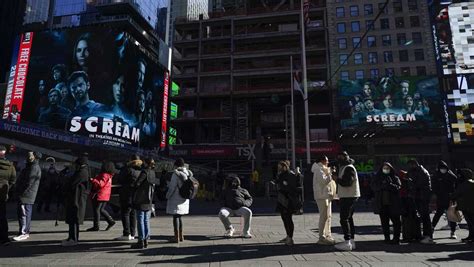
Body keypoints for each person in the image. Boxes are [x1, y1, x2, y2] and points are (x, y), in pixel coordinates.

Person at [62, 155, 91, 246]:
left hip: (76, 199)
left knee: (74, 219)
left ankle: (73, 239)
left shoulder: (81, 172)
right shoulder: (84, 171)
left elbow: (72, 184)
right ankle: (71, 237)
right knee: (73, 219)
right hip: (76, 198)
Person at [334, 151, 360, 251]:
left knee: (344, 219)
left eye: (340, 156)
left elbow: (347, 182)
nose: (338, 158)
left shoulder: (348, 167)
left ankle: (347, 242)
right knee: (349, 218)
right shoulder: (345, 167)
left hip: (348, 196)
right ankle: (351, 241)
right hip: (349, 195)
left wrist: (337, 179)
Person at [13, 152, 42, 242]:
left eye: (31, 156)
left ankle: (24, 233)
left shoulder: (34, 167)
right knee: (24, 213)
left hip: (26, 195)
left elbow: (29, 182)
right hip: (27, 194)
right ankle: (24, 232)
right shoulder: (31, 166)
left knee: (24, 214)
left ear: (35, 157)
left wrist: (20, 192)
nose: (29, 157)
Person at [130, 158, 159, 249]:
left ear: (146, 163)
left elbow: (137, 184)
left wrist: (133, 185)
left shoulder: (144, 172)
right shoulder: (153, 173)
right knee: (146, 220)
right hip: (149, 200)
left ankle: (141, 241)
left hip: (141, 199)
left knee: (141, 220)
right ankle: (146, 239)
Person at [371, 163, 402, 244]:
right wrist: (382, 185)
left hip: (393, 204)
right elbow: (373, 187)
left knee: (396, 223)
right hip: (382, 204)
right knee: (385, 223)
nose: (386, 170)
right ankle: (387, 238)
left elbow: (398, 188)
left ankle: (396, 238)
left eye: (388, 168)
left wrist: (390, 184)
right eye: (384, 168)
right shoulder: (377, 178)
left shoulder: (395, 177)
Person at [115, 155, 143, 241]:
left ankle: (126, 233)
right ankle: (133, 233)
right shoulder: (140, 170)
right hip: (136, 195)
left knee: (125, 213)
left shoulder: (127, 169)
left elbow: (119, 179)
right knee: (133, 214)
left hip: (126, 194)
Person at [274, 161, 302, 245]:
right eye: (278, 167)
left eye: (281, 167)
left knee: (288, 218)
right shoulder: (281, 175)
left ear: (285, 167)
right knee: (284, 218)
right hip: (282, 199)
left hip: (288, 200)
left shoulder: (290, 175)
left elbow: (292, 186)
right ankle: (288, 236)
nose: (279, 169)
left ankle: (290, 238)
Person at [406, 159, 433, 244]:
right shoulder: (414, 171)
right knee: (420, 216)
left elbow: (418, 184)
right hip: (418, 196)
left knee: (425, 216)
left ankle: (428, 236)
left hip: (423, 197)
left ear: (414, 164)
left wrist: (410, 182)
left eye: (410, 165)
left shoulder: (422, 172)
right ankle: (422, 235)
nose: (409, 168)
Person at [312, 155, 337, 245]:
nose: (328, 162)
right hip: (322, 196)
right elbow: (324, 181)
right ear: (322, 161)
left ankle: (327, 235)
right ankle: (321, 237)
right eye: (326, 160)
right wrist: (330, 174)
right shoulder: (319, 170)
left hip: (326, 195)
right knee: (324, 216)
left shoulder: (323, 169)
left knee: (328, 216)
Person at [218, 174, 253, 239]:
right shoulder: (225, 190)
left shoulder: (243, 190)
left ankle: (246, 232)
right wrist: (225, 204)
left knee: (248, 212)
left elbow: (249, 198)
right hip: (228, 208)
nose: (234, 183)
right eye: (233, 182)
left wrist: (245, 203)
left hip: (239, 208)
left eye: (236, 182)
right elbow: (220, 199)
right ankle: (230, 229)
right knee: (221, 214)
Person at [166, 158, 191, 243]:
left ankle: (176, 237)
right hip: (184, 198)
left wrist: (167, 196)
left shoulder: (176, 174)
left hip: (176, 198)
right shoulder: (187, 173)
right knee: (179, 217)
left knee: (175, 217)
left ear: (176, 165)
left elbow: (172, 187)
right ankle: (181, 236)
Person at [431, 161, 458, 239]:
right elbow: (433, 186)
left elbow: (456, 182)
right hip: (441, 198)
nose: (443, 170)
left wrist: (453, 194)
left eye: (444, 168)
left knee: (452, 215)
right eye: (441, 168)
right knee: (438, 214)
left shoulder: (450, 175)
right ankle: (431, 229)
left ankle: (453, 232)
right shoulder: (436, 175)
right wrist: (437, 193)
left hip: (450, 198)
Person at [87, 161, 116, 232]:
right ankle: (110, 221)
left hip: (100, 194)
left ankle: (96, 226)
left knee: (96, 210)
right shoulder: (110, 175)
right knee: (101, 210)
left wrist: (93, 180)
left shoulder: (104, 174)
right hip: (105, 195)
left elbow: (101, 184)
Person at [451, 169, 474, 243]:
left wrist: (451, 196)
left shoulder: (465, 184)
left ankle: (472, 237)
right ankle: (471, 236)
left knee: (471, 223)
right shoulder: (471, 182)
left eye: (460, 175)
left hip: (467, 206)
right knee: (471, 223)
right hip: (469, 205)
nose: (458, 176)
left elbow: (456, 193)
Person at [0, 145, 17, 246]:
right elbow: (13, 180)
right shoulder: (10, 166)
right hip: (3, 193)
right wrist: (7, 188)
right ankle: (4, 238)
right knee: (2, 216)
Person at [399, 170, 422, 242]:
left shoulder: (404, 182)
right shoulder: (409, 181)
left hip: (407, 203)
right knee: (411, 221)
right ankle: (413, 236)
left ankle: (408, 237)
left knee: (407, 221)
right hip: (410, 203)